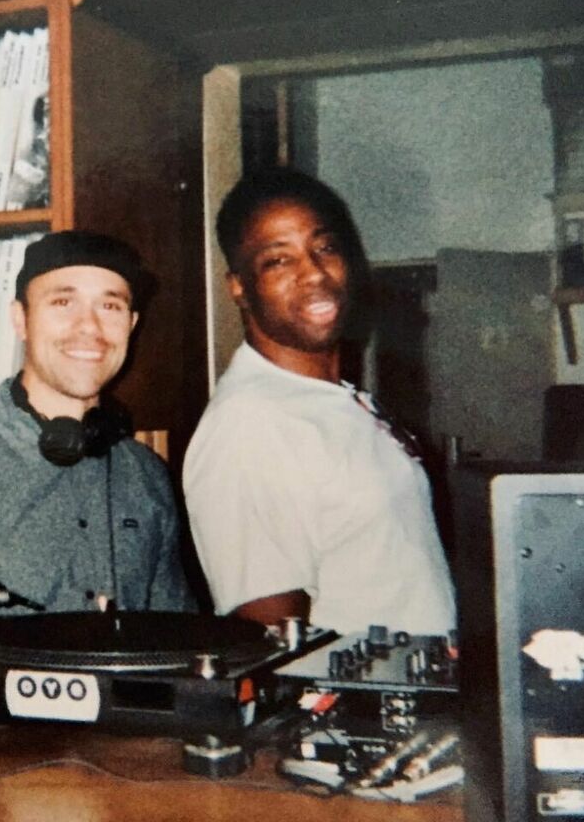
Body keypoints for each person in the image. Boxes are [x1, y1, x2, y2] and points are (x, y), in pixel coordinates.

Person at [183, 169, 455, 635]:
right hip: (359, 707)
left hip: (416, 696)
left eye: (324, 248)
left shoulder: (336, 399)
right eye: (278, 261)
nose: (312, 273)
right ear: (239, 287)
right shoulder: (249, 426)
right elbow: (272, 640)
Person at [0, 230, 195, 615]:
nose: (89, 327)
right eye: (63, 302)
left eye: (110, 307)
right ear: (20, 319)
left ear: (132, 325)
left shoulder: (146, 475)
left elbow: (175, 640)